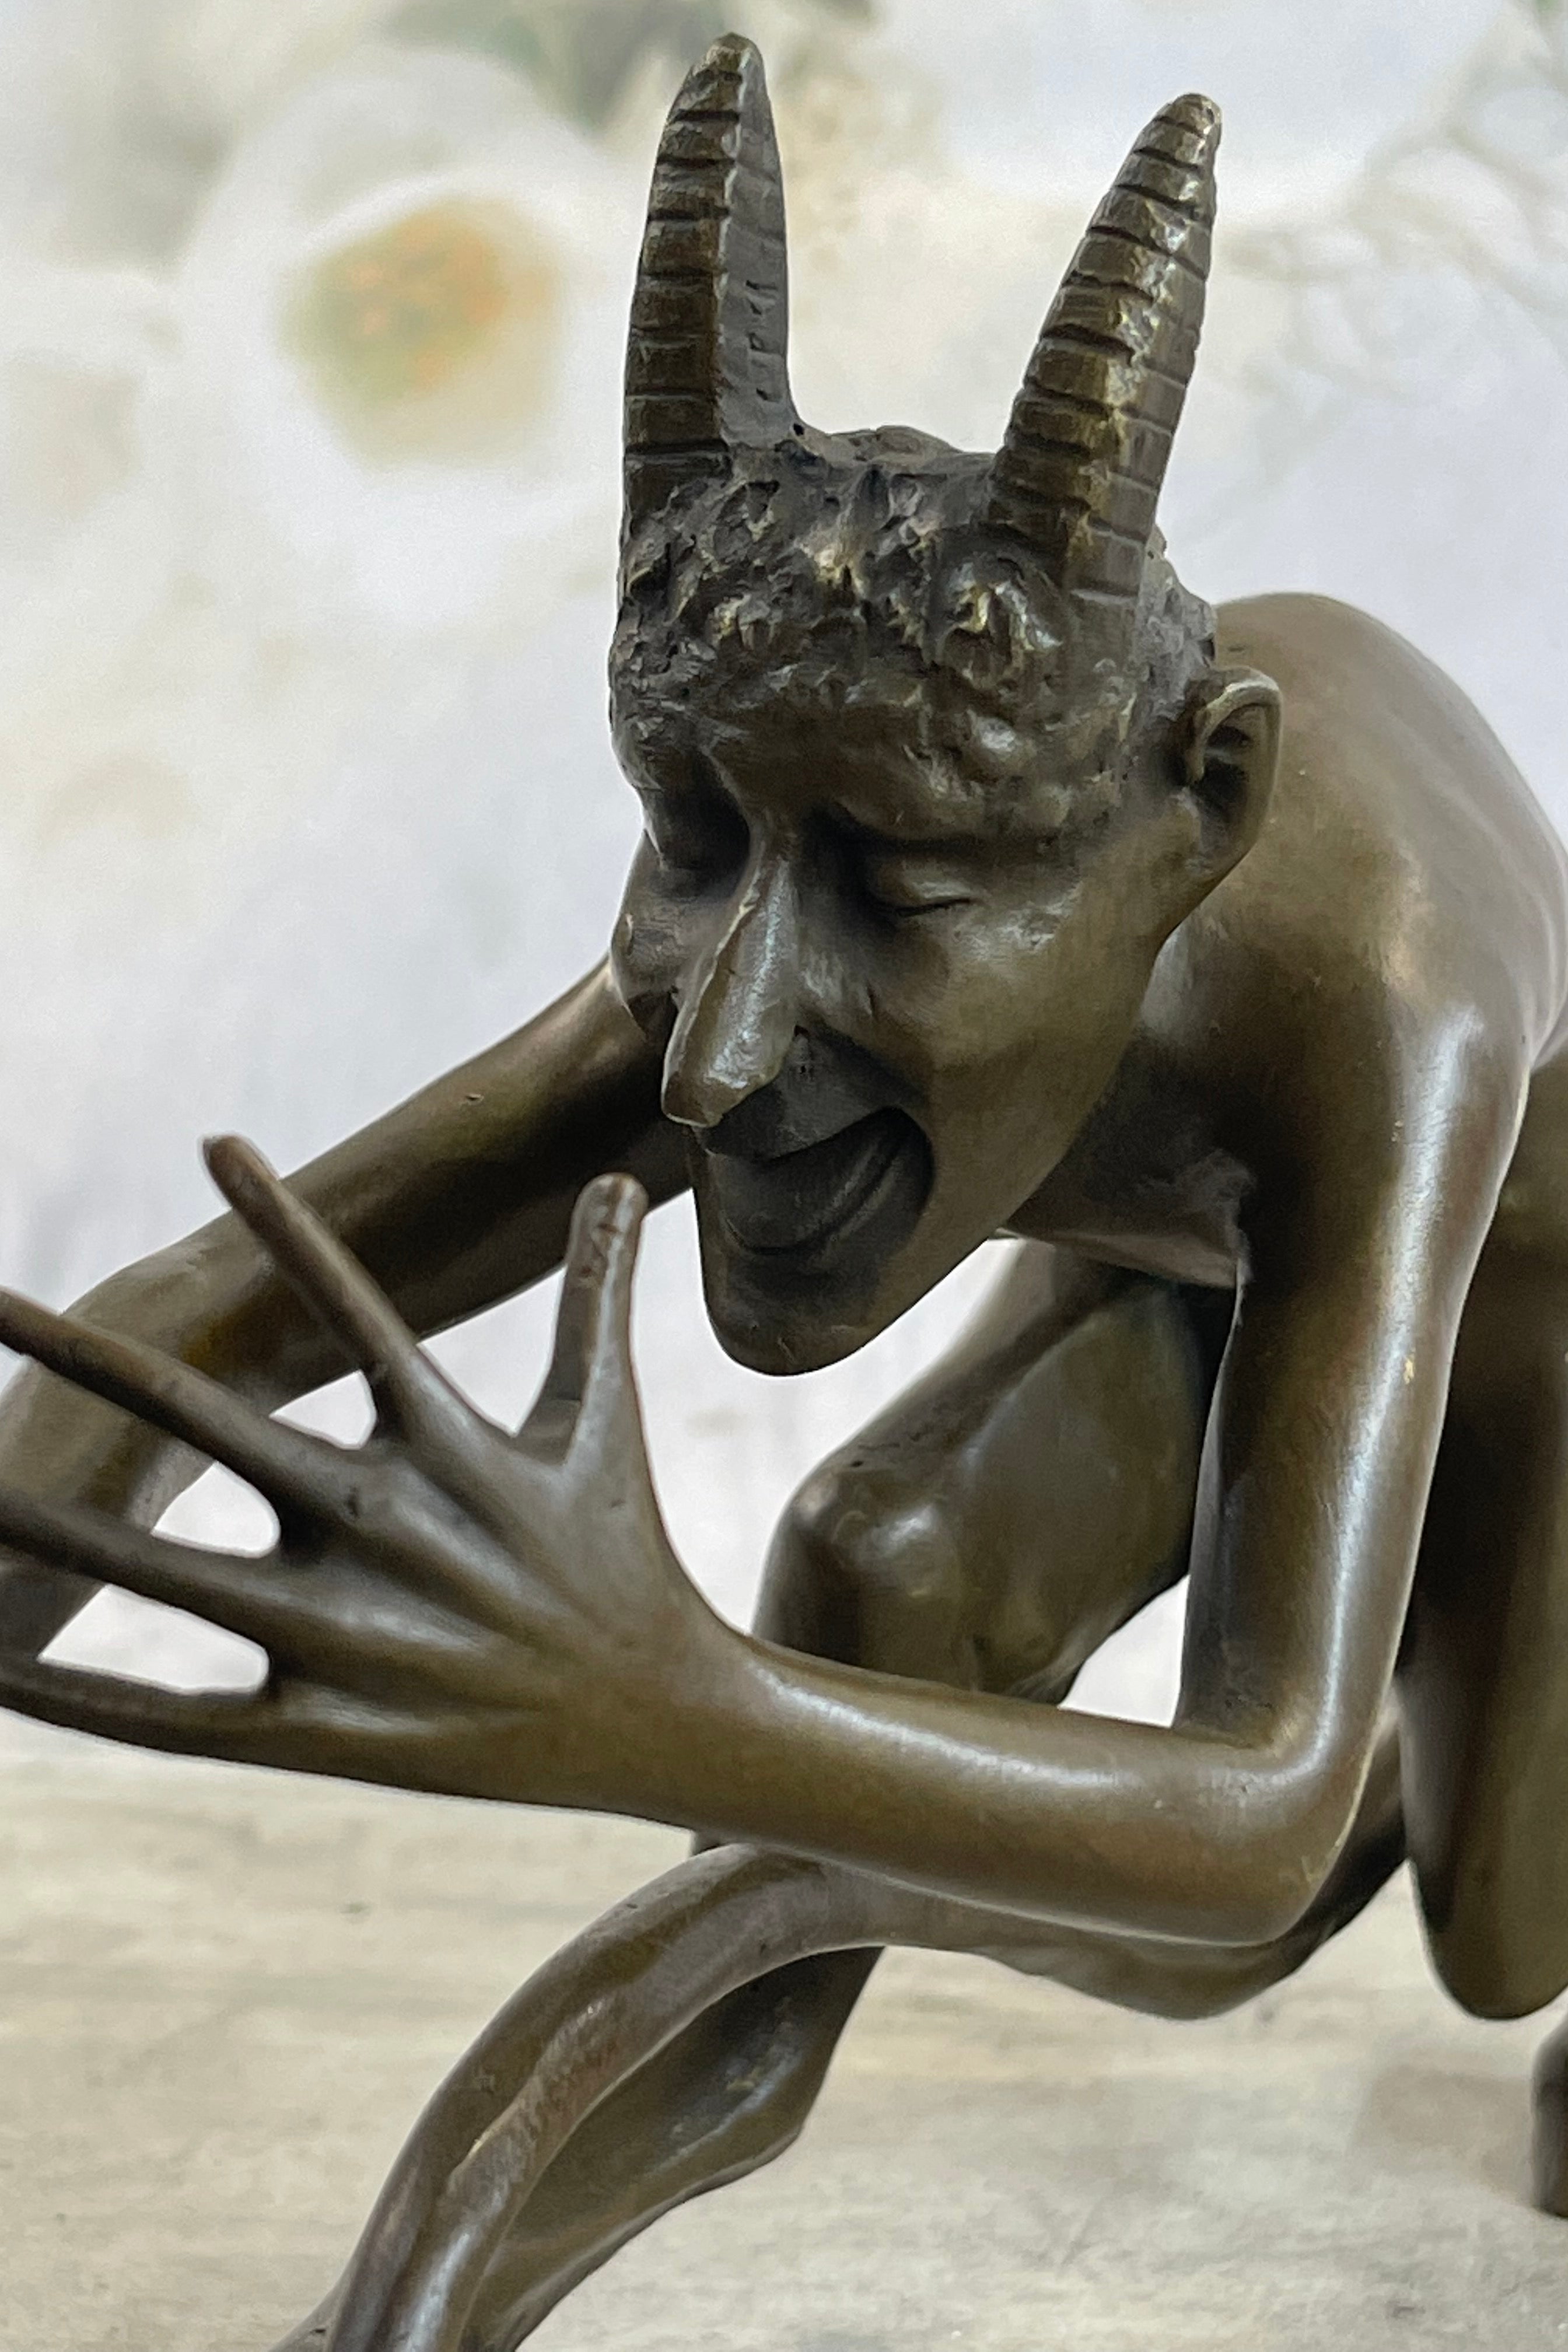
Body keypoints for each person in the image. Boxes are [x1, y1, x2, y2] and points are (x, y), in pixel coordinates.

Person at [1, 35, 1565, 2347]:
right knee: (880, 1580)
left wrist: (678, 1706)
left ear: (1198, 824)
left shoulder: (1377, 991)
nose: (719, 1054)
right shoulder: (822, 861)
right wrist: (753, 1755)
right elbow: (211, 1307)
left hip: (1514, 1298)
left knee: (1475, 1925)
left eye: (896, 896)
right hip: (1173, 1232)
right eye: (691, 841)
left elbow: (1251, 1804)